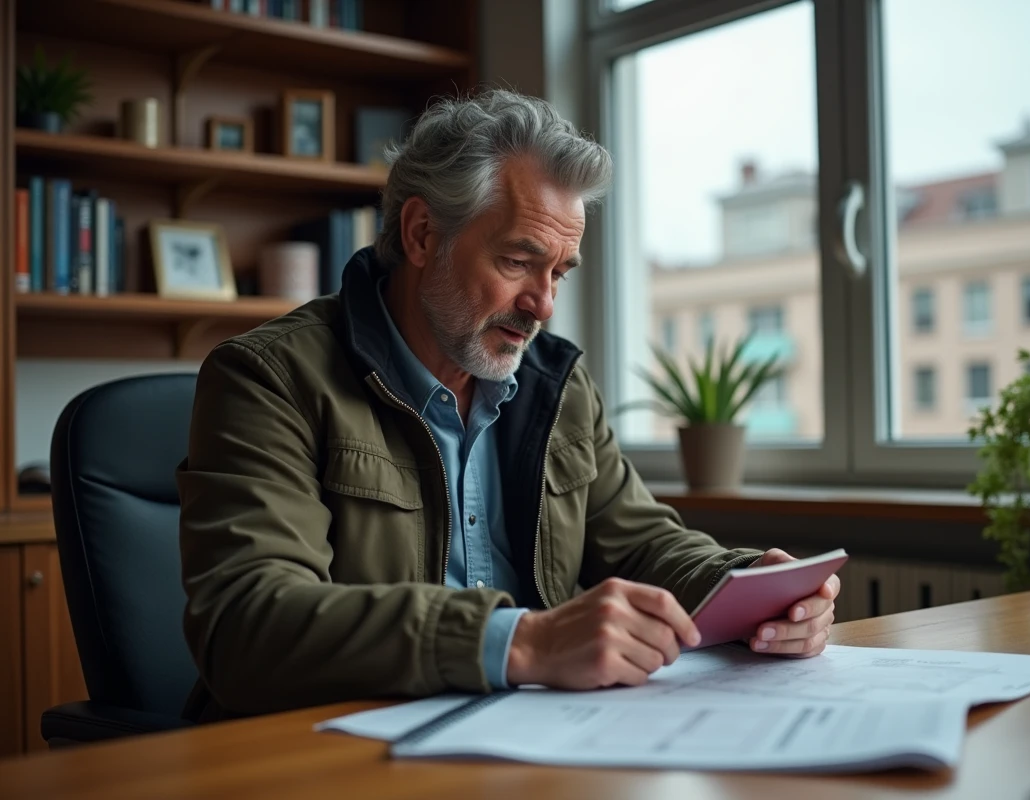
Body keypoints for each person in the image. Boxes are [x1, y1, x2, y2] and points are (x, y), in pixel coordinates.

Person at [177, 89, 841, 721]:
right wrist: (520, 641)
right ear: (420, 235)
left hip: (522, 743)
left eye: (559, 272)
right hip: (327, 755)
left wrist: (751, 584)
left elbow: (643, 545)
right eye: (520, 261)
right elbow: (247, 625)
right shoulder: (269, 379)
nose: (543, 305)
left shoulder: (558, 385)